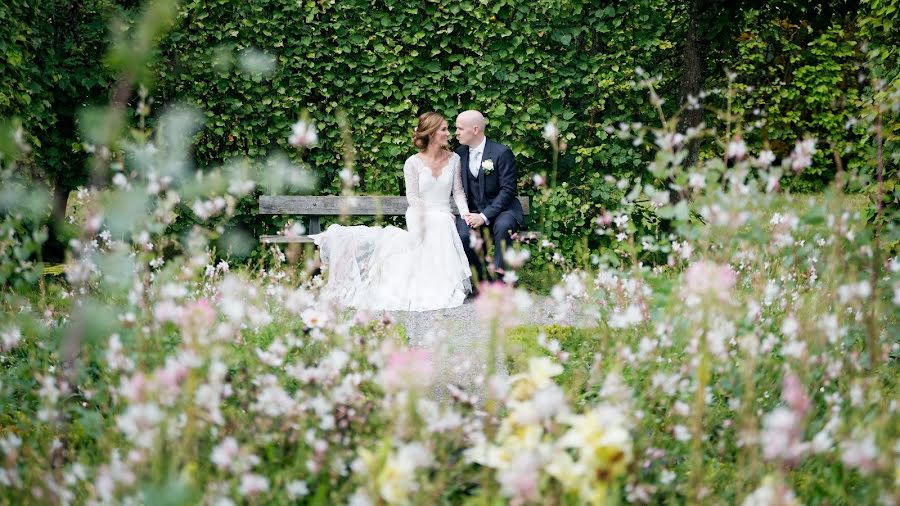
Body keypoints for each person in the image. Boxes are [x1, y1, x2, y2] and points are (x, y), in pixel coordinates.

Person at [309, 112, 473, 311]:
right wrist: (432, 213)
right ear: (430, 133)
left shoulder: (454, 159)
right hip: (419, 213)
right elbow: (412, 198)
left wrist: (465, 214)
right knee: (438, 222)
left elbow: (458, 192)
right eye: (444, 129)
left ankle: (441, 283)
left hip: (444, 215)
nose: (449, 133)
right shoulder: (412, 163)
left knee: (443, 222)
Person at [454, 110, 524, 282]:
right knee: (463, 235)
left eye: (460, 129)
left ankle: (501, 281)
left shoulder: (501, 153)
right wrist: (471, 215)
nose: (456, 133)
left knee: (503, 227)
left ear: (475, 129)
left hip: (502, 210)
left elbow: (508, 191)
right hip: (473, 211)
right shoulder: (460, 154)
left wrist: (484, 216)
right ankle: (481, 280)